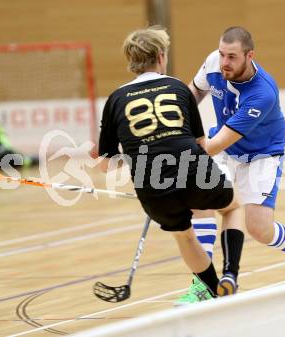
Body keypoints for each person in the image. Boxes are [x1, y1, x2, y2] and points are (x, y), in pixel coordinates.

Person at [186, 26, 285, 295]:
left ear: (249, 55)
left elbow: (216, 145)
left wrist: (175, 150)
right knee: (200, 202)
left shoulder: (262, 93)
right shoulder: (213, 62)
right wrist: (174, 119)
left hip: (261, 154)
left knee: (259, 228)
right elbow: (193, 92)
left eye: (232, 57)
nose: (224, 62)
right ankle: (202, 285)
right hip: (227, 149)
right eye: (222, 54)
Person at [98, 26, 234, 304]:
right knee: (233, 207)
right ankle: (231, 274)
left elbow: (106, 165)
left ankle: (212, 289)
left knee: (185, 237)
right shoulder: (176, 87)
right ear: (161, 56)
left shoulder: (114, 99)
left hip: (151, 187)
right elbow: (201, 145)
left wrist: (137, 157)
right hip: (193, 170)